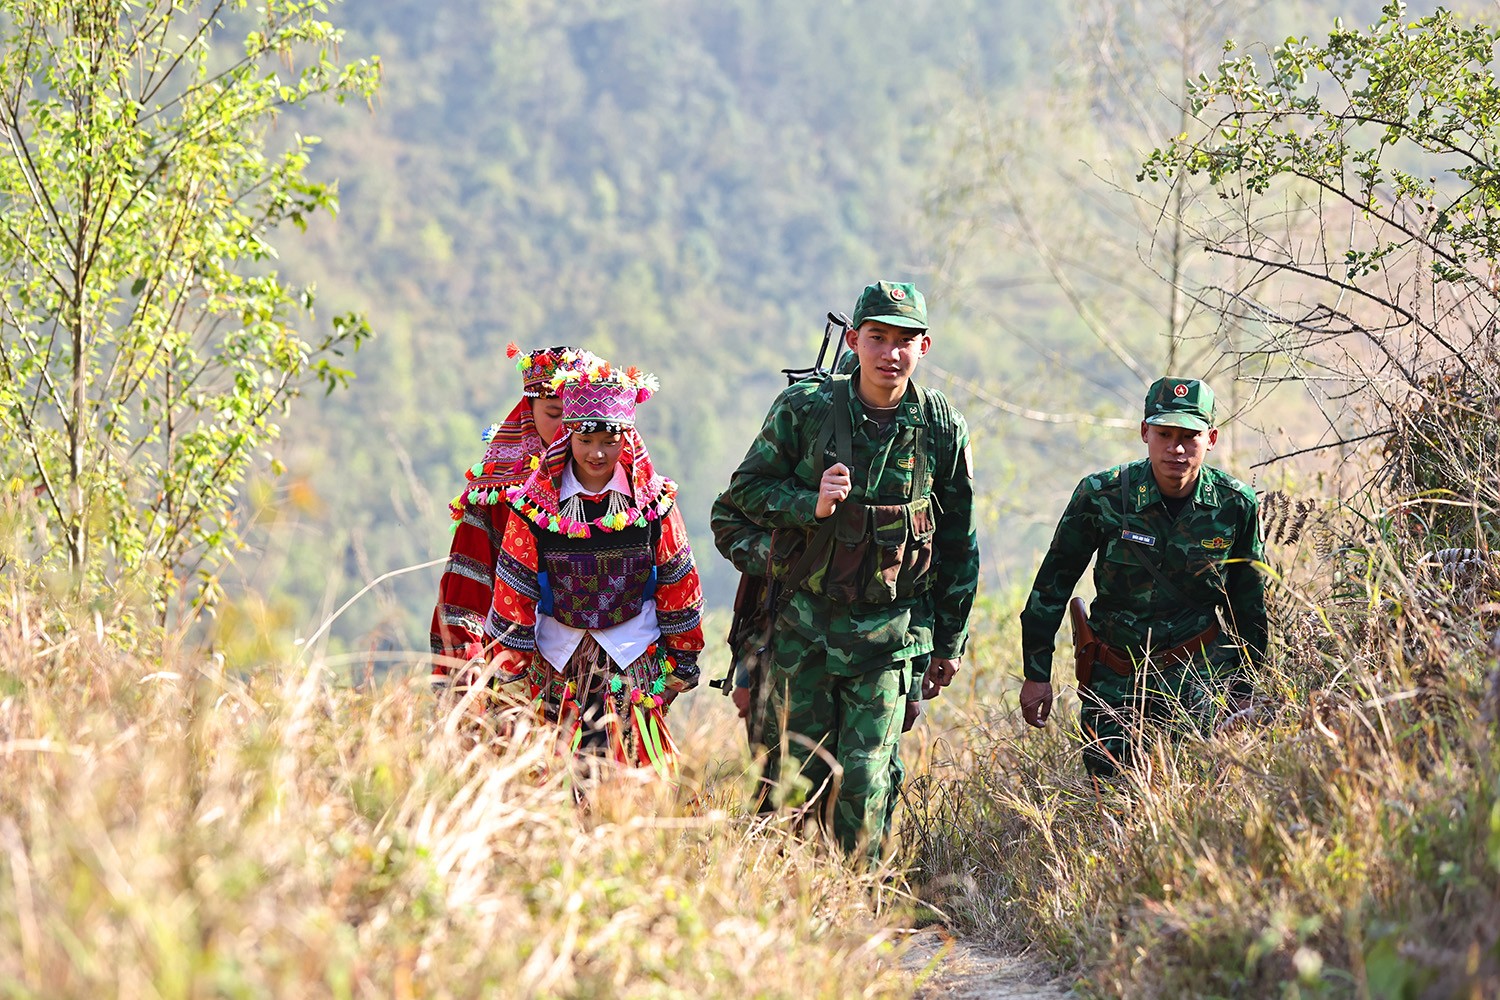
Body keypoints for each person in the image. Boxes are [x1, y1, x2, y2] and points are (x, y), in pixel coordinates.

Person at [718, 280, 979, 861]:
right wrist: (807, 503)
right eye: (877, 337)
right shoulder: (804, 409)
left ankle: (863, 901)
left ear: (924, 346)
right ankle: (788, 900)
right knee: (794, 780)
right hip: (803, 633)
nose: (890, 353)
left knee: (865, 780)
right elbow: (741, 497)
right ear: (854, 340)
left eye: (904, 340)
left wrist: (950, 642)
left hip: (890, 637)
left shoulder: (941, 427)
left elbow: (959, 543)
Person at [1017, 377, 1268, 777]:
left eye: (1189, 436)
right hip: (1115, 679)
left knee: (1196, 788)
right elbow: (1052, 585)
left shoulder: (1234, 504)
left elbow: (1248, 603)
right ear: (1145, 432)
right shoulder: (1102, 495)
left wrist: (1245, 687)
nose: (1176, 449)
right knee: (1111, 791)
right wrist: (1036, 674)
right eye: (1165, 434)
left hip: (1199, 677)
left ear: (1211, 438)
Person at [482, 360, 705, 775]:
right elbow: (514, 590)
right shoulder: (534, 506)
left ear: (627, 438)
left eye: (609, 440)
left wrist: (682, 661)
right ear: (568, 435)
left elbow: (678, 583)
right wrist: (510, 670)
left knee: (631, 779)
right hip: (555, 659)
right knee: (556, 779)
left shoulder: (654, 505)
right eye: (585, 439)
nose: (596, 453)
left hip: (632, 657)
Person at [429, 344, 599, 677]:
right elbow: (467, 587)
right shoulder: (497, 493)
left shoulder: (616, 487)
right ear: (528, 411)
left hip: (598, 664)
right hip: (512, 663)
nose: (567, 426)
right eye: (554, 414)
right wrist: (467, 663)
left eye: (578, 415)